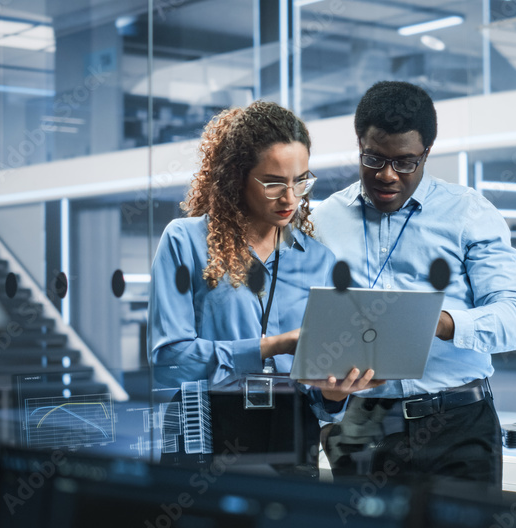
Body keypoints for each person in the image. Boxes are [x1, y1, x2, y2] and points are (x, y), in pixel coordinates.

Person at [311, 81, 516, 486]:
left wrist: (437, 321)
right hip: (360, 428)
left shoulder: (468, 213)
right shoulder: (322, 221)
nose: (387, 176)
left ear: (427, 153)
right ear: (358, 143)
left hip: (458, 424)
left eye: (405, 162)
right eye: (373, 159)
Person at [149, 101, 378, 469]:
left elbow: (319, 397)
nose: (290, 198)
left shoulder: (318, 259)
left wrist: (334, 395)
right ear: (236, 176)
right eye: (273, 183)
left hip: (291, 432)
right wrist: (274, 345)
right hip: (206, 426)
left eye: (300, 180)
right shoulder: (185, 242)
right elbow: (169, 361)